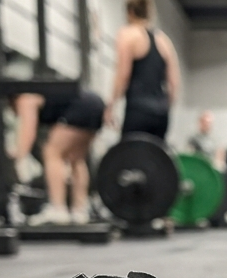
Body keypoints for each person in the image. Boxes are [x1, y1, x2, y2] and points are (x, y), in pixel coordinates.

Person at [11, 90, 106, 225]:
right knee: (76, 159)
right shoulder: (38, 95)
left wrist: (17, 156)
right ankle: (80, 211)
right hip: (96, 103)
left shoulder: (25, 99)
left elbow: (28, 132)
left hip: (81, 106)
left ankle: (58, 209)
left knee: (52, 153)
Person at [107, 0, 180, 140]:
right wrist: (165, 107)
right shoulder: (164, 41)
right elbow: (174, 83)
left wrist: (111, 105)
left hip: (138, 109)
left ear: (130, 12)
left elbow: (123, 74)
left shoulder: (127, 34)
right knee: (154, 159)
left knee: (131, 158)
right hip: (161, 114)